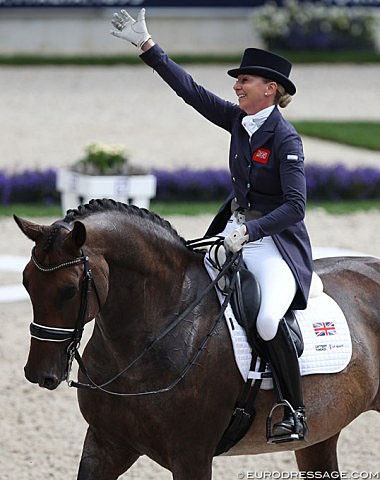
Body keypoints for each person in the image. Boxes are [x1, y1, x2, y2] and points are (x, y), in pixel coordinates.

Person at [110, 8, 313, 443]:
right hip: (236, 235)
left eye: (245, 80)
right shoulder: (239, 120)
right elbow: (191, 92)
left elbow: (296, 207)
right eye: (237, 80)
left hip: (275, 244)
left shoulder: (285, 140)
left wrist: (251, 231)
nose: (236, 85)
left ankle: (295, 411)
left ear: (270, 89)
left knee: (266, 321)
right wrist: (148, 47)